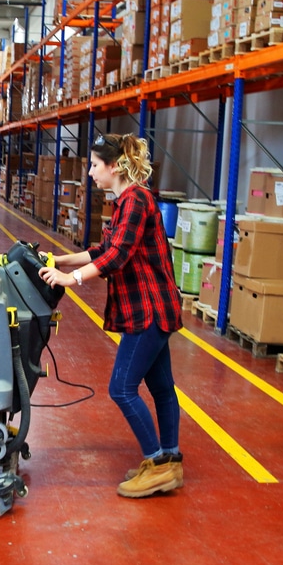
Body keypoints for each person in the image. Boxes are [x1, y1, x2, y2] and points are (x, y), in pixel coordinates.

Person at [39, 133, 185, 498]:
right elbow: (103, 249)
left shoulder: (136, 200)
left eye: (94, 165)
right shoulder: (125, 201)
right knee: (162, 388)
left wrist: (68, 279)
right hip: (151, 307)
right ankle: (170, 460)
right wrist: (57, 260)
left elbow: (116, 257)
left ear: (115, 166)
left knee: (121, 388)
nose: (89, 173)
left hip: (148, 310)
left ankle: (157, 465)